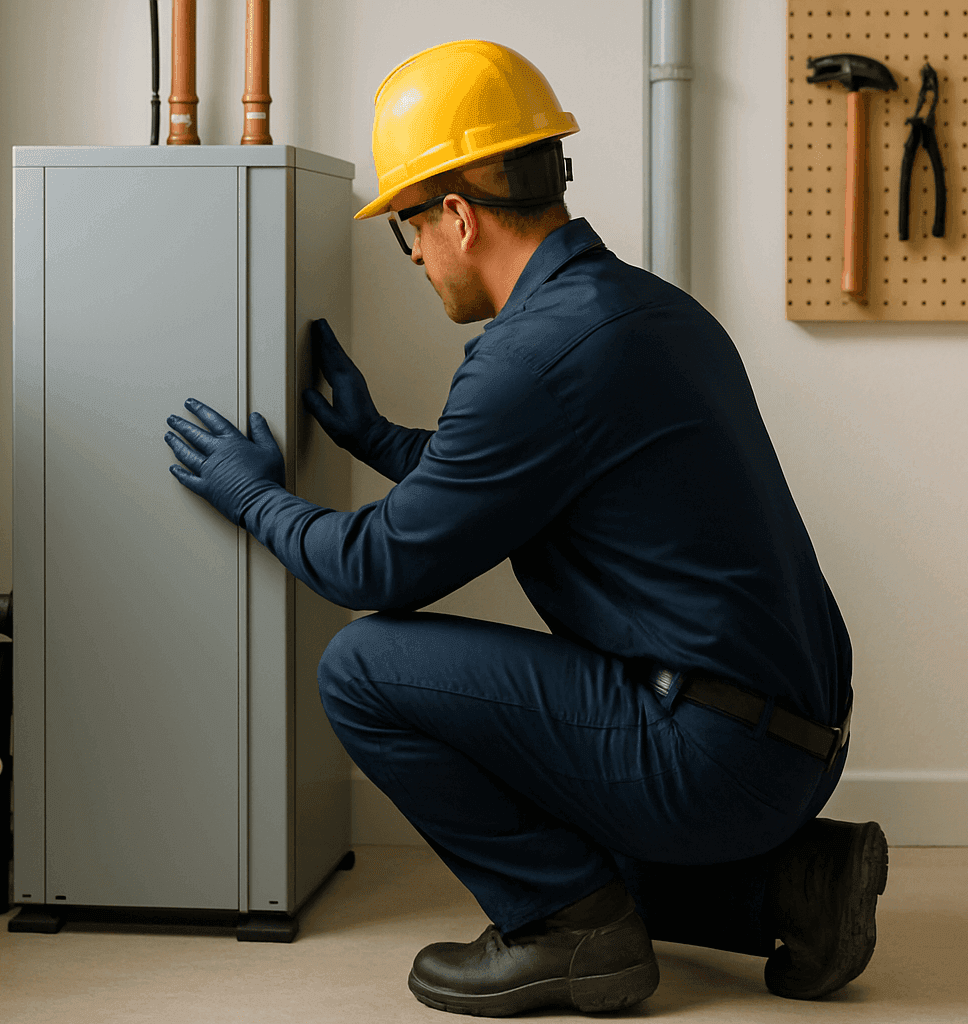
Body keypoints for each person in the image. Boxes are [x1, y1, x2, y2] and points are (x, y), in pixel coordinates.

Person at [163, 39, 887, 1018]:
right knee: (544, 751)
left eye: (409, 227)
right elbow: (522, 479)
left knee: (362, 670)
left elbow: (376, 566)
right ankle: (795, 883)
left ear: (456, 214)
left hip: (712, 752)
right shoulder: (635, 310)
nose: (414, 254)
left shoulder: (534, 354)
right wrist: (374, 435)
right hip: (789, 744)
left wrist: (250, 494)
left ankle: (570, 930)